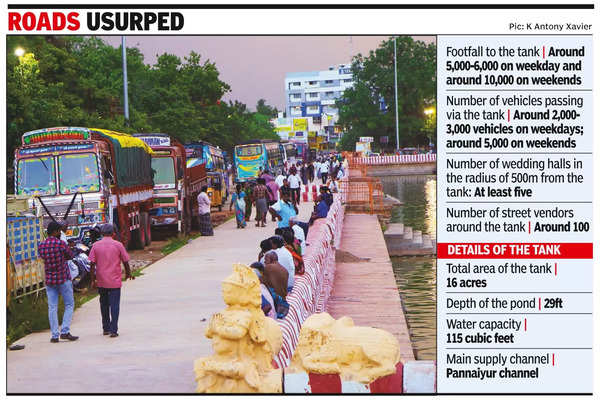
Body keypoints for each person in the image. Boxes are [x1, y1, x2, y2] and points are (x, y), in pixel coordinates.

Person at [88, 224, 132, 338]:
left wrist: (93, 280)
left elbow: (92, 264)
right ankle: (114, 330)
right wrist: (128, 273)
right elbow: (125, 261)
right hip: (114, 280)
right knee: (114, 305)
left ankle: (106, 328)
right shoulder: (118, 245)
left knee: (104, 304)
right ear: (113, 233)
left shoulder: (95, 246)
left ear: (101, 233)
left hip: (102, 281)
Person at [38, 221, 78, 343]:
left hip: (50, 280)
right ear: (55, 232)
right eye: (59, 231)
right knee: (69, 304)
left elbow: (43, 257)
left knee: (52, 307)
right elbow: (70, 255)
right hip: (63, 278)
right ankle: (65, 331)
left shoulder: (41, 246)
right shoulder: (60, 244)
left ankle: (54, 335)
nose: (60, 233)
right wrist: (69, 249)